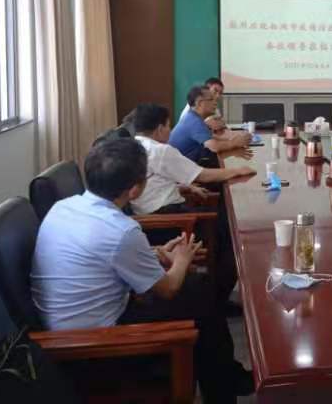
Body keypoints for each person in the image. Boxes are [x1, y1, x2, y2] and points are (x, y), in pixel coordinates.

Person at [31, 138, 253, 403]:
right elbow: (168, 288)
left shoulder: (63, 207)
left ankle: (227, 381)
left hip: (68, 332)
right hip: (95, 346)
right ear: (135, 189)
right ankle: (225, 386)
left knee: (198, 290)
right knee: (198, 297)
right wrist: (181, 258)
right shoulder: (121, 230)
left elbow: (100, 253)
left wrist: (154, 253)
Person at [131, 102, 254, 215]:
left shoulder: (133, 146)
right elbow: (202, 175)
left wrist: (184, 187)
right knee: (223, 214)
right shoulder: (160, 151)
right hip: (167, 216)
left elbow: (153, 182)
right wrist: (238, 171)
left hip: (146, 212)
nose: (170, 130)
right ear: (159, 129)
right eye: (168, 126)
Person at [170, 85, 251, 162]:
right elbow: (214, 147)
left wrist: (234, 148)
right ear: (199, 103)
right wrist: (234, 142)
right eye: (211, 99)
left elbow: (211, 145)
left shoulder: (193, 117)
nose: (215, 103)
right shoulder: (194, 121)